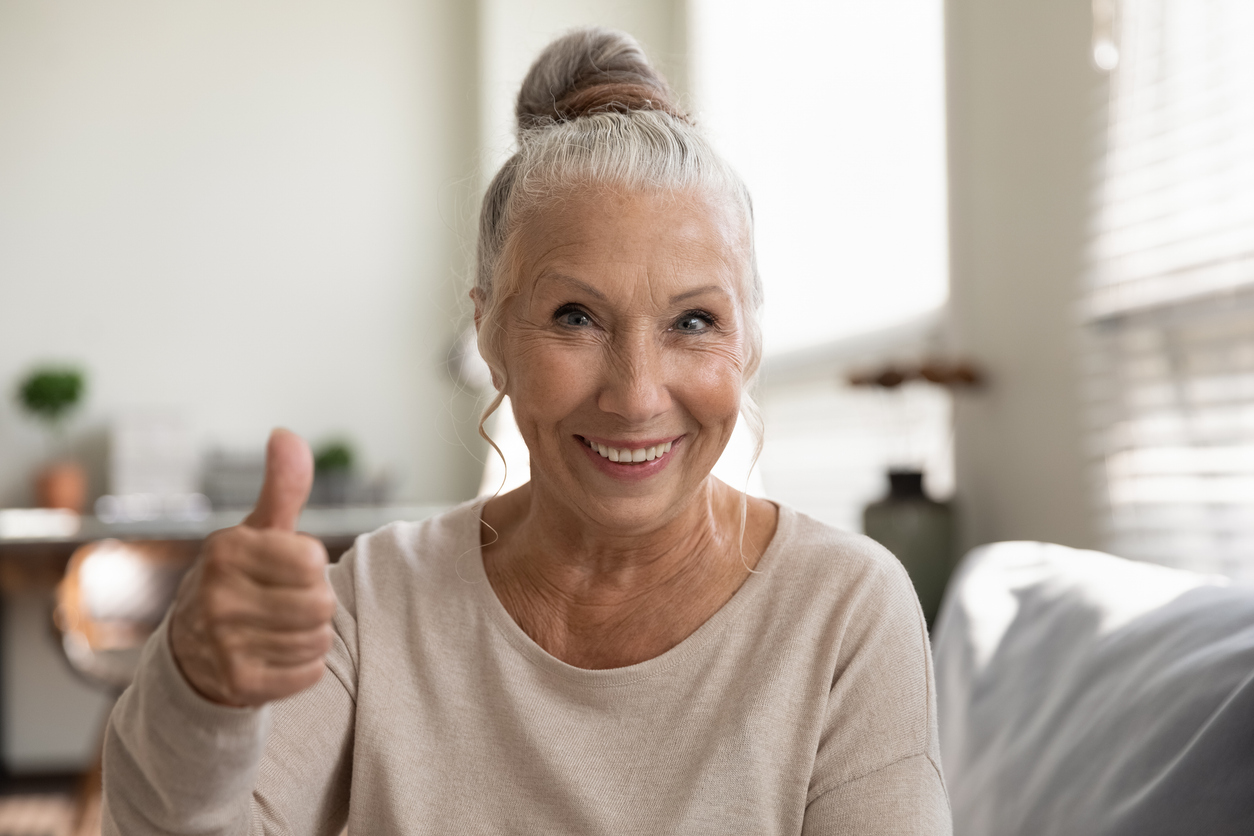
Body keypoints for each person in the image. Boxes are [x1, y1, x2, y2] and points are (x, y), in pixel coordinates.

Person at [102, 27, 951, 834]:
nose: (636, 395)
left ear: (750, 341)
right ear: (491, 334)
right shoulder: (378, 600)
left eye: (693, 322)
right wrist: (200, 696)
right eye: (576, 316)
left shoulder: (845, 611)